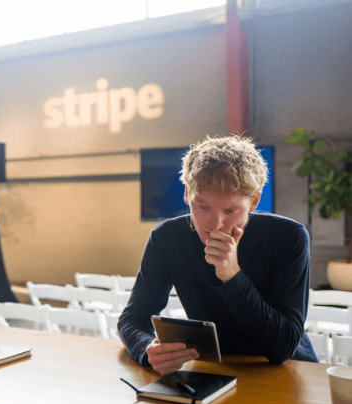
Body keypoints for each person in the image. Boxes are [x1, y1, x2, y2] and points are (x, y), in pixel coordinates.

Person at [118, 135, 318, 375]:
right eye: (203, 208)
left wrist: (232, 276)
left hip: (287, 371)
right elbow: (132, 318)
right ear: (187, 193)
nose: (215, 224)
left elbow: (282, 348)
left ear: (253, 202)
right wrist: (146, 347)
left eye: (230, 210)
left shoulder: (288, 237)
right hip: (213, 370)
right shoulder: (166, 237)